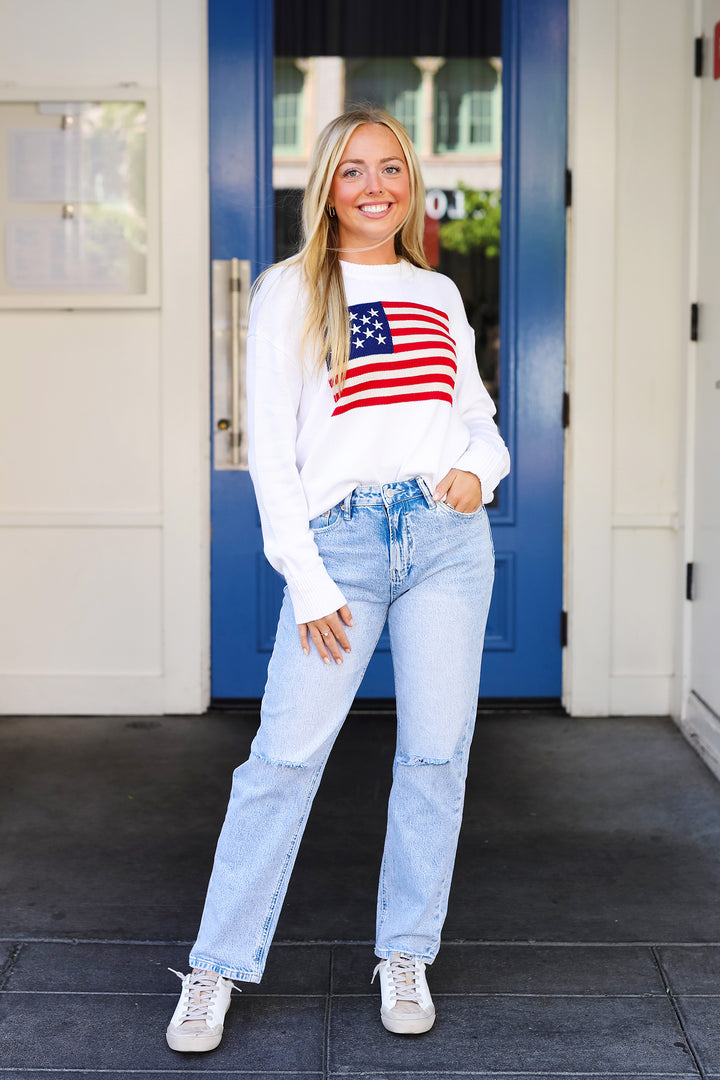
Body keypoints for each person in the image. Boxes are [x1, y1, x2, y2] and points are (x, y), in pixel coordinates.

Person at [166, 106, 510, 1051]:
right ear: (327, 185)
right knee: (282, 760)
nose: (375, 187)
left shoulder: (437, 292)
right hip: (343, 548)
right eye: (354, 171)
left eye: (391, 168)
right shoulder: (290, 291)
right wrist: (309, 582)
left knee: (435, 759)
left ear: (411, 182)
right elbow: (270, 457)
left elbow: (478, 420)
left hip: (446, 543)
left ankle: (406, 951)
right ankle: (215, 968)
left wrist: (483, 471)